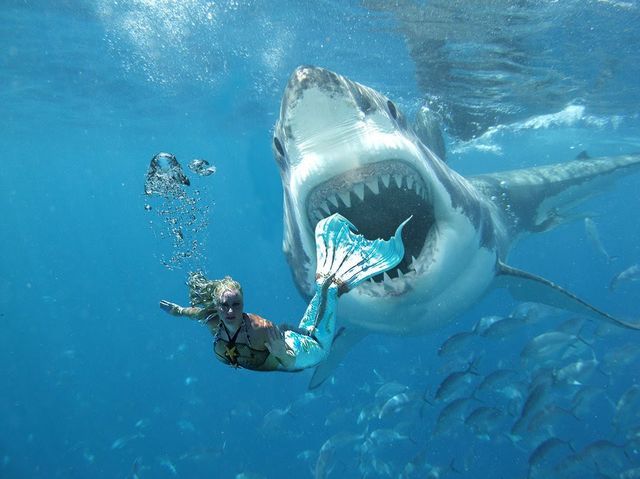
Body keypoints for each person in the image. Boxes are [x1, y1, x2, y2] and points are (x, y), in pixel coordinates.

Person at [159, 213, 409, 371]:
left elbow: (291, 362)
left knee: (328, 290)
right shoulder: (213, 319)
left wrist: (284, 355)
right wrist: (178, 311)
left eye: (236, 304)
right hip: (292, 339)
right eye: (225, 306)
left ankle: (348, 266)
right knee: (319, 299)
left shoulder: (259, 329)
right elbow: (196, 313)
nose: (231, 311)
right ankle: (334, 273)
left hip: (309, 352)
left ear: (244, 303)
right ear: (216, 305)